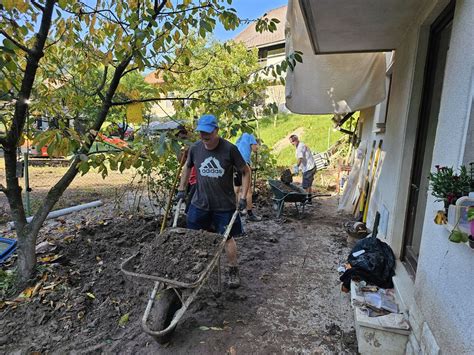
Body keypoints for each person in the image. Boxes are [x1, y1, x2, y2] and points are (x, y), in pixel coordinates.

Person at [177, 114, 251, 289]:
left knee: (227, 238)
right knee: (194, 236)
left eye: (208, 132)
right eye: (201, 132)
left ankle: (233, 270)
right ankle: (196, 266)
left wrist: (243, 197)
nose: (204, 136)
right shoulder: (195, 148)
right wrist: (181, 189)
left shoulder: (229, 149)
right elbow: (187, 167)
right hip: (199, 202)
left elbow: (246, 171)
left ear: (217, 130)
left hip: (223, 205)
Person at [234, 132, 262, 222]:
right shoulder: (251, 136)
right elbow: (254, 149)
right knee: (248, 191)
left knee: (237, 189)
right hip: (245, 164)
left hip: (235, 163)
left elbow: (237, 148)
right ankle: (250, 214)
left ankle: (238, 211)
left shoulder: (240, 137)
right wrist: (257, 147)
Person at [289, 134, 316, 205]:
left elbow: (300, 158)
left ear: (296, 140)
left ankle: (304, 200)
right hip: (311, 166)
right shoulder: (301, 145)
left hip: (309, 168)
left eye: (292, 142)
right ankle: (309, 200)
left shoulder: (300, 147)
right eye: (291, 142)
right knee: (308, 185)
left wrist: (296, 167)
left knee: (305, 186)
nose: (292, 144)